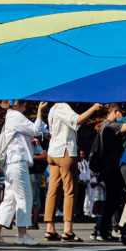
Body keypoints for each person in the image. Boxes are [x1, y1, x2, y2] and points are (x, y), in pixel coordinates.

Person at [0, 100, 45, 245]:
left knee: (10, 198)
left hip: (11, 163)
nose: (26, 107)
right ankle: (22, 234)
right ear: (18, 104)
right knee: (24, 197)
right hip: (18, 163)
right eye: (24, 104)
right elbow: (36, 130)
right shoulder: (16, 116)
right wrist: (39, 112)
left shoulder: (10, 117)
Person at [43, 101, 101, 242]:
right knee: (70, 191)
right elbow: (77, 121)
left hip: (53, 151)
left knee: (53, 190)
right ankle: (68, 230)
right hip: (65, 151)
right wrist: (94, 108)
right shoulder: (63, 106)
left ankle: (50, 228)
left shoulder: (52, 108)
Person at [90, 103, 126, 241]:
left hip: (108, 168)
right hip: (111, 168)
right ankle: (102, 232)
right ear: (116, 111)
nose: (122, 117)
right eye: (122, 114)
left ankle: (100, 229)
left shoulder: (105, 126)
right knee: (113, 200)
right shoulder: (111, 125)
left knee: (113, 200)